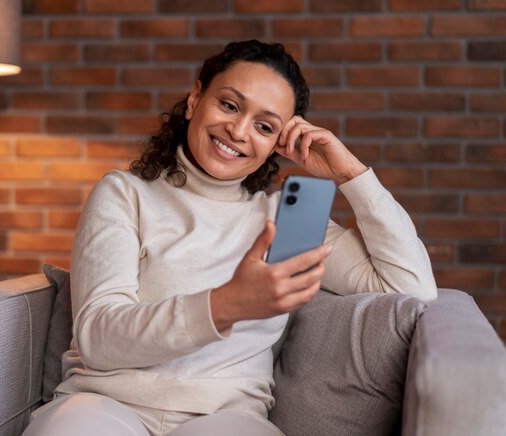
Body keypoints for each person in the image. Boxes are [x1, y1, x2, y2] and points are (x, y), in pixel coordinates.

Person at [23, 40, 437, 436]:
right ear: (194, 99)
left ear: (279, 141)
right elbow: (98, 338)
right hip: (104, 405)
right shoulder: (124, 193)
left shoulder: (286, 219)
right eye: (229, 104)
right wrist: (227, 304)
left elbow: (409, 287)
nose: (239, 130)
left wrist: (351, 176)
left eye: (264, 125)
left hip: (226, 417)